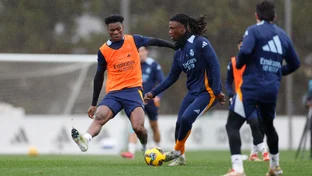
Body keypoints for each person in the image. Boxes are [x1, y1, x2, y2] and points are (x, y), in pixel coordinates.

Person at [71, 14, 175, 154]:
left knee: (138, 127)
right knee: (100, 115)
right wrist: (94, 103)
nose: (115, 32)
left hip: (133, 91)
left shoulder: (134, 40)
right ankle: (85, 139)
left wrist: (174, 46)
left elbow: (154, 41)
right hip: (114, 93)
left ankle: (144, 146)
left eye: (118, 29)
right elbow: (99, 76)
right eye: (112, 30)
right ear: (108, 31)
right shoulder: (103, 51)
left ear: (122, 28)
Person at [223, 1, 300, 176]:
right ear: (275, 16)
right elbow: (295, 63)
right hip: (271, 89)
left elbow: (245, 51)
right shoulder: (283, 36)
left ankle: (237, 169)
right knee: (269, 127)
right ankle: (275, 167)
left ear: (256, 15)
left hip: (250, 88)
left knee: (232, 125)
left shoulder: (254, 30)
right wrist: (278, 71)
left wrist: (241, 63)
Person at [144, 13, 226, 166]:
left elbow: (214, 65)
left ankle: (175, 151)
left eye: (172, 28)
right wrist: (152, 93)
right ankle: (181, 157)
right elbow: (171, 77)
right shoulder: (179, 53)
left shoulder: (200, 43)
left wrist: (216, 90)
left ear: (182, 29)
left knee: (186, 119)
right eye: (169, 28)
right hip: (193, 92)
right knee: (179, 124)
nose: (169, 32)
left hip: (208, 93)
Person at [225, 39, 269, 162]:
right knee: (252, 124)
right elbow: (228, 81)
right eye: (240, 47)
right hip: (241, 99)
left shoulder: (255, 62)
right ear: (238, 47)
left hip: (256, 97)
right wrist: (230, 95)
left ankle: (254, 154)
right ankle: (264, 152)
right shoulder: (233, 62)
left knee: (260, 126)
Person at [121, 46, 164, 159]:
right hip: (137, 100)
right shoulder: (132, 64)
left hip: (150, 101)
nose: (140, 53)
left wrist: (158, 96)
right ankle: (131, 152)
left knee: (154, 126)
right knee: (135, 125)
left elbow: (162, 82)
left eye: (142, 51)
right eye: (138, 51)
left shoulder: (153, 64)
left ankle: (158, 148)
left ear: (147, 52)